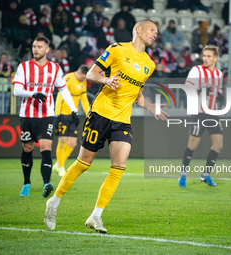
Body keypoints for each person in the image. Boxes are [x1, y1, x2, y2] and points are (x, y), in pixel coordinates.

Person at [44, 20, 169, 233]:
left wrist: (149, 106)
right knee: (84, 163)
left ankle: (96, 216)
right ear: (137, 29)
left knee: (119, 166)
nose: (155, 34)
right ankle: (53, 203)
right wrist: (107, 80)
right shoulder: (116, 49)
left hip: (123, 119)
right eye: (151, 30)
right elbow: (92, 74)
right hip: (101, 113)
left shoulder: (149, 63)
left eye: (157, 32)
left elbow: (136, 92)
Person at [12, 36, 79, 197]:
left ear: (47, 50)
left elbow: (63, 89)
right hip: (27, 115)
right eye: (34, 46)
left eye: (39, 47)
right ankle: (26, 183)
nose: (35, 49)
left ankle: (46, 184)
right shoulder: (24, 67)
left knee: (46, 147)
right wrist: (33, 93)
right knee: (27, 148)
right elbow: (16, 91)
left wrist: (74, 109)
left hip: (47, 114)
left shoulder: (55, 68)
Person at [178, 45, 224, 188]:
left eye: (209, 56)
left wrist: (220, 96)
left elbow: (217, 91)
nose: (205, 58)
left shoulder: (219, 74)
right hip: (199, 112)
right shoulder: (196, 70)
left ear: (215, 58)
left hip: (213, 113)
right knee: (193, 145)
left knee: (218, 145)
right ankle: (183, 173)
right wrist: (201, 88)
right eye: (204, 55)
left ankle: (206, 174)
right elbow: (188, 87)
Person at [52, 65, 90, 177]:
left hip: (74, 115)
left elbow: (84, 99)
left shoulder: (83, 82)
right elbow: (60, 96)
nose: (85, 80)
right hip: (63, 114)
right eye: (84, 77)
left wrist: (88, 114)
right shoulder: (68, 78)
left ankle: (58, 164)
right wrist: (57, 114)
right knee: (62, 140)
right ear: (79, 73)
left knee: (72, 143)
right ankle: (61, 168)